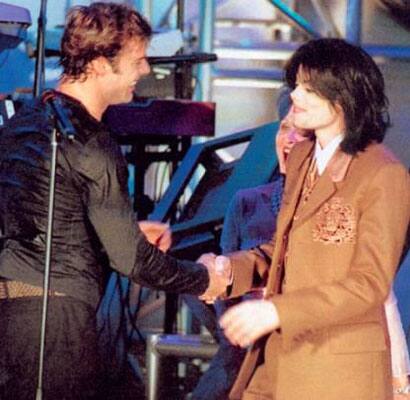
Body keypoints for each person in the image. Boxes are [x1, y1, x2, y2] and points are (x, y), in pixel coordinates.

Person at [0, 3, 227, 399]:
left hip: (12, 319)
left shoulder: (24, 121)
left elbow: (40, 219)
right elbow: (133, 260)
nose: (145, 71)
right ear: (102, 64)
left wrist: (120, 229)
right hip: (58, 327)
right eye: (137, 60)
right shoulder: (91, 141)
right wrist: (205, 279)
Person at [211, 38, 410, 400]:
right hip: (277, 361)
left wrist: (276, 311)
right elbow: (284, 251)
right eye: (295, 85)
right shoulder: (302, 156)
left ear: (345, 96)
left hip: (337, 373)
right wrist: (228, 269)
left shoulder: (383, 173)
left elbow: (369, 284)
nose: (295, 97)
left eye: (308, 89)